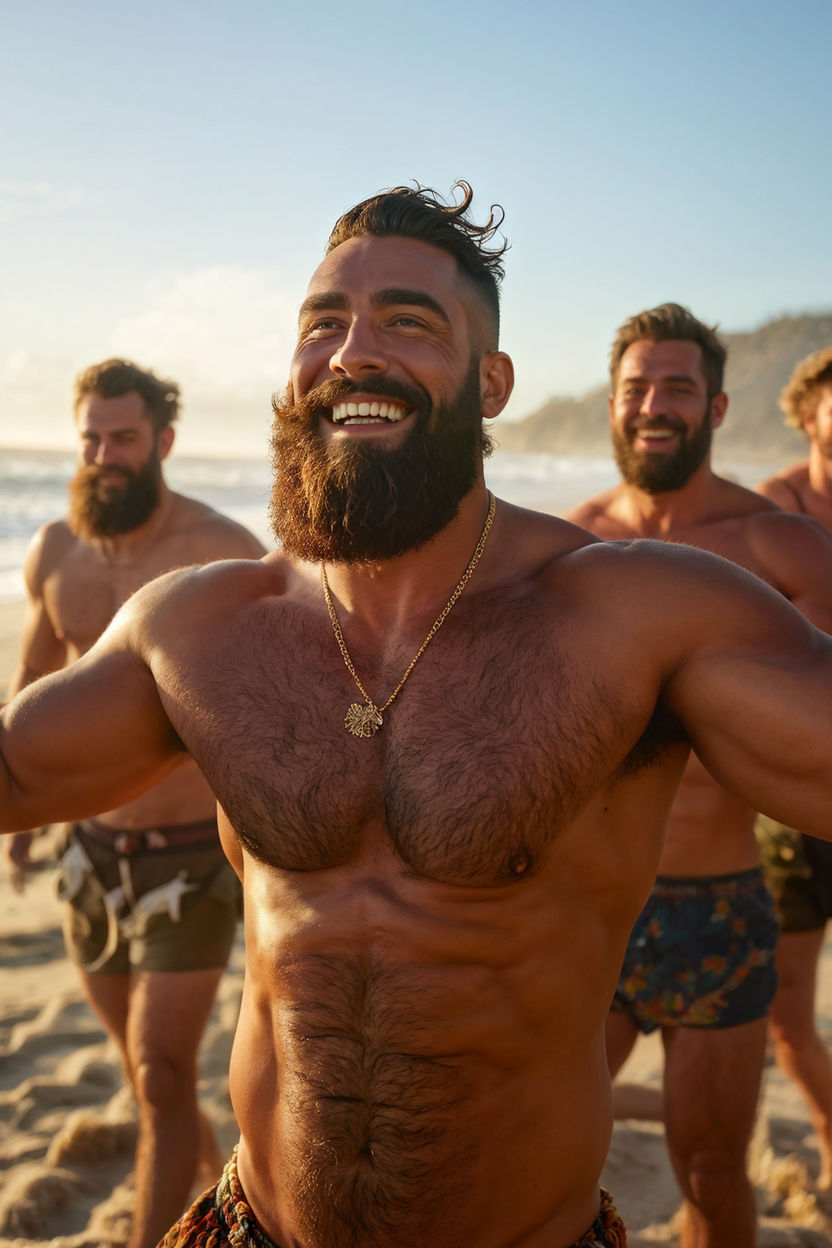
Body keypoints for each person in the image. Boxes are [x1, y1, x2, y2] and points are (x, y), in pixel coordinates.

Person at [1, 189, 832, 1248]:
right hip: (256, 1230)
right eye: (321, 323)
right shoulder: (203, 627)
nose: (351, 352)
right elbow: (17, 774)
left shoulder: (633, 616)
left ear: (490, 384)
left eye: (407, 321)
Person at [566, 304, 832, 1248]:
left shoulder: (781, 550)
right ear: (611, 405)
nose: (653, 405)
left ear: (716, 406)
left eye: (676, 387)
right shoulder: (565, 550)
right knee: (545, 1160)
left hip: (719, 906)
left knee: (714, 1170)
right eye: (635, 388)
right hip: (589, 905)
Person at [3, 358, 266, 1248]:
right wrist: (24, 827)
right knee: (141, 1067)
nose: (102, 455)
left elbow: (280, 702)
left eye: (121, 438)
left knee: (159, 1070)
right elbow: (35, 680)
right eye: (89, 438)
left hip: (189, 857)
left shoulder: (220, 552)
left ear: (163, 443)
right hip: (89, 858)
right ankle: (199, 1176)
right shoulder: (54, 551)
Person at [754, 345, 832, 1190]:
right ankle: (826, 1124)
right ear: (810, 412)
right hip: (793, 810)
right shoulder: (770, 514)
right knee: (787, 1013)